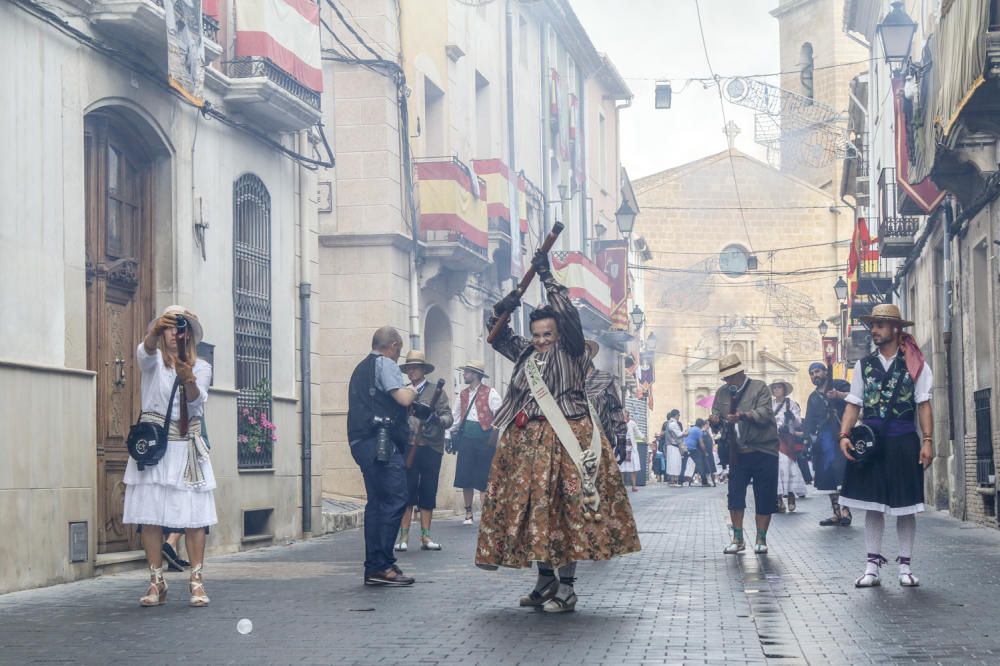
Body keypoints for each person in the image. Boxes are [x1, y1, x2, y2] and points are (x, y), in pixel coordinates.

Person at [476, 249, 641, 613]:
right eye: (536, 334)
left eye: (547, 333)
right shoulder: (527, 356)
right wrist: (500, 310)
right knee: (536, 512)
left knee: (567, 512)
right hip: (525, 444)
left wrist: (547, 277)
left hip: (567, 439)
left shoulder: (572, 350)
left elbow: (567, 315)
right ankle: (544, 579)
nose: (541, 339)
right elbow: (498, 335)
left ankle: (567, 587)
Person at [123, 305, 215, 607]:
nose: (174, 334)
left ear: (188, 334)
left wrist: (188, 378)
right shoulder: (152, 362)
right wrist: (152, 333)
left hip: (186, 448)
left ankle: (196, 581)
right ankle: (156, 582)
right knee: (150, 517)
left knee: (194, 518)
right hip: (155, 447)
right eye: (168, 328)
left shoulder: (201, 367)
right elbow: (143, 352)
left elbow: (197, 402)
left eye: (180, 328)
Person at [837, 304, 934, 588]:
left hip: (904, 440)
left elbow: (924, 404)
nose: (875, 331)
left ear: (895, 329)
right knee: (872, 505)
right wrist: (844, 435)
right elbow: (853, 404)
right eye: (873, 326)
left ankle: (905, 567)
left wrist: (927, 441)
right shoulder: (864, 366)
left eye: (880, 325)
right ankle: (872, 567)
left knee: (905, 506)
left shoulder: (916, 363)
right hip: (871, 442)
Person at [347, 326, 430, 587]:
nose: (399, 356)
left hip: (361, 441)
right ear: (393, 345)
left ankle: (375, 565)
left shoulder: (361, 368)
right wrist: (414, 389)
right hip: (380, 443)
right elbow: (403, 398)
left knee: (376, 504)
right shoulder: (384, 363)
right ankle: (382, 564)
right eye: (399, 349)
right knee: (396, 498)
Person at [709, 353, 779, 555]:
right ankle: (737, 538)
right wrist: (715, 420)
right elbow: (718, 420)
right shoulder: (722, 393)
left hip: (763, 449)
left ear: (740, 372)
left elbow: (765, 413)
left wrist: (743, 416)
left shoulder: (759, 387)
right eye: (725, 377)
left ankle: (761, 538)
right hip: (737, 452)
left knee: (764, 495)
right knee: (735, 495)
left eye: (731, 376)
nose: (727, 380)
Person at [395, 351, 453, 552]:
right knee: (407, 492)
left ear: (423, 370)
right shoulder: (401, 392)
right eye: (409, 367)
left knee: (428, 491)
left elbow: (448, 418)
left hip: (431, 447)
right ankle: (403, 537)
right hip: (409, 446)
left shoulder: (437, 392)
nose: (412, 371)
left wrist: (435, 419)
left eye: (415, 367)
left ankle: (426, 537)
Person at [450, 360, 502, 525]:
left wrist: (495, 436)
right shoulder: (463, 394)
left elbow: (499, 415)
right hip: (466, 438)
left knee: (483, 478)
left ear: (475, 375)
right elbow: (455, 416)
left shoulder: (491, 392)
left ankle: (486, 514)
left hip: (485, 439)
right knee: (465, 477)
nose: (464, 374)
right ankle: (468, 513)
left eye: (467, 372)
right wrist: (448, 434)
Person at [803, 362, 854, 526]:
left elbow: (857, 398)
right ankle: (836, 513)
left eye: (817, 371)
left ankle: (846, 511)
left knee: (843, 474)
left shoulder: (839, 384)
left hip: (842, 435)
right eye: (811, 373)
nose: (814, 375)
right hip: (824, 441)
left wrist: (838, 395)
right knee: (829, 478)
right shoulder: (812, 397)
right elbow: (810, 421)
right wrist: (806, 440)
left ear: (825, 372)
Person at [584, 339, 628, 465]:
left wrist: (621, 440)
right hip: (575, 443)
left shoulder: (604, 378)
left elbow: (615, 410)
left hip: (603, 441)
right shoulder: (568, 382)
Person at [771, 380, 806, 513]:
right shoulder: (770, 405)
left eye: (779, 387)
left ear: (784, 389)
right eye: (774, 388)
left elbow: (798, 424)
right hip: (774, 439)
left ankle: (791, 495)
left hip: (787, 439)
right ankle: (779, 498)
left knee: (788, 465)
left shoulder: (791, 404)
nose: (777, 390)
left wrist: (791, 418)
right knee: (776, 467)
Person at [619, 412, 643, 491]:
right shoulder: (619, 423)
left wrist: (644, 439)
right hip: (622, 447)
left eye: (625, 416)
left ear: (628, 416)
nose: (624, 418)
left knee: (633, 468)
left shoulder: (632, 423)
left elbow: (638, 432)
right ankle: (622, 486)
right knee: (621, 468)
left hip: (631, 447)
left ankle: (634, 486)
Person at [661, 410, 686, 486]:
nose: (679, 417)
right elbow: (679, 434)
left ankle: (672, 480)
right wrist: (686, 433)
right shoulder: (673, 424)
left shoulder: (669, 423)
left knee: (672, 463)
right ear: (676, 415)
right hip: (673, 446)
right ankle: (674, 481)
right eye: (679, 415)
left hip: (671, 446)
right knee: (675, 463)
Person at [684, 419, 710, 487]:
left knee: (683, 465)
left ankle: (680, 481)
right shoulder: (699, 431)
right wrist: (705, 452)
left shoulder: (690, 428)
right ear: (702, 425)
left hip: (684, 447)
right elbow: (701, 443)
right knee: (700, 464)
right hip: (692, 448)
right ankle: (704, 482)